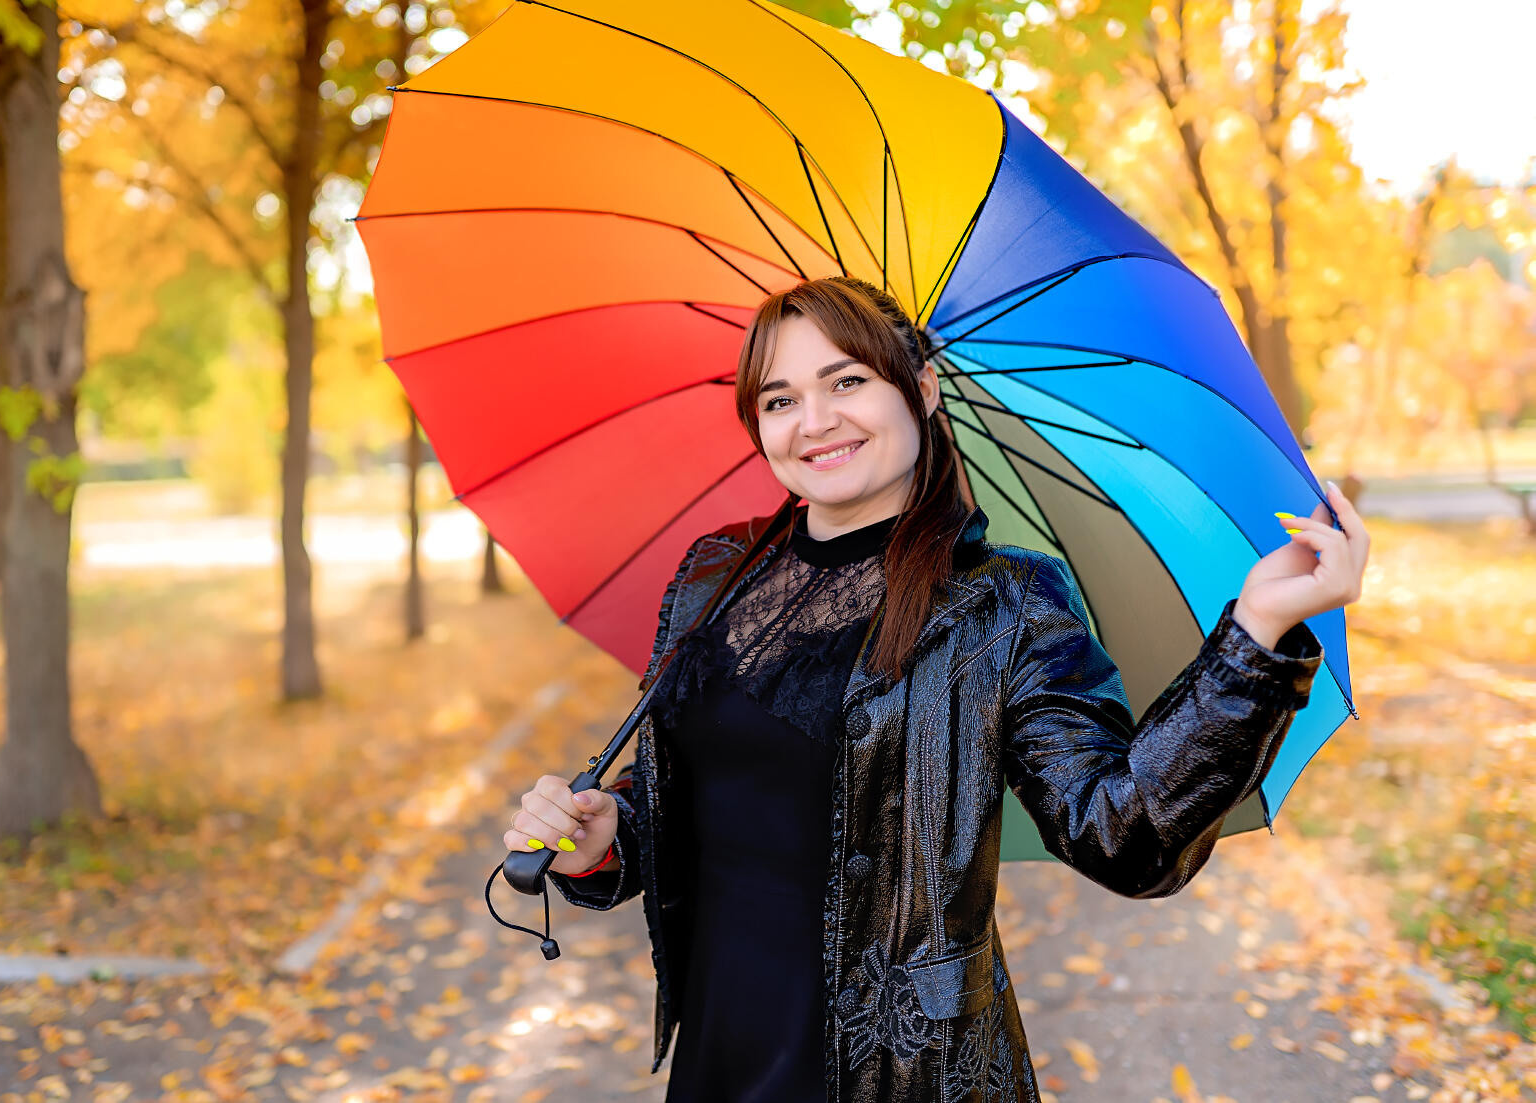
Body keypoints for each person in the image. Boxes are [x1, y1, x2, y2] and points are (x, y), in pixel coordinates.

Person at [501, 276, 1370, 1102]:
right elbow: (699, 799)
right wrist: (612, 839)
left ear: (921, 388)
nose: (815, 421)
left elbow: (1124, 834)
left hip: (907, 1072)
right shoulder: (716, 572)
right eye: (779, 398)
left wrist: (1254, 636)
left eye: (847, 381)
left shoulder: (1003, 604)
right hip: (724, 1047)